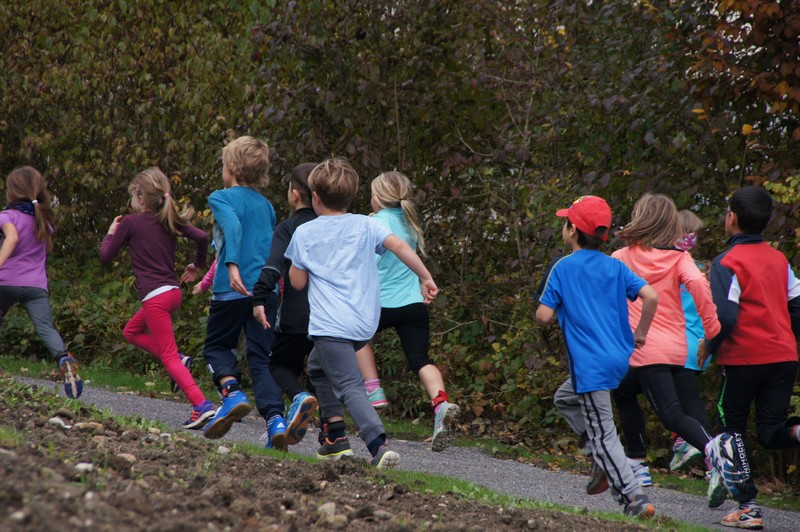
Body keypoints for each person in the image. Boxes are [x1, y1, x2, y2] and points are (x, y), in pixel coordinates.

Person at [284, 159, 438, 468]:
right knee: (316, 368)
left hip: (331, 325)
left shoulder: (305, 233)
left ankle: (377, 445)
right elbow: (400, 247)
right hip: (364, 322)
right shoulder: (367, 224)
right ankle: (334, 438)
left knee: (350, 385)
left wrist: (299, 265)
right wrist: (425, 277)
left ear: (315, 197)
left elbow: (298, 283)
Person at [611, 193, 749, 510]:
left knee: (671, 414)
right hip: (676, 347)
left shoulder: (622, 257)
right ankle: (637, 462)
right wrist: (712, 330)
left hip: (647, 349)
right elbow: (699, 286)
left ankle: (714, 450)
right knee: (623, 390)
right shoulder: (680, 257)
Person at [536, 195, 659, 519]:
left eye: (566, 222)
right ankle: (599, 456)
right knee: (565, 398)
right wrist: (641, 333)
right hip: (618, 358)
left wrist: (559, 306)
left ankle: (633, 496)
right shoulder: (615, 266)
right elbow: (650, 296)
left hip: (590, 365)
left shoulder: (562, 267)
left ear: (572, 230)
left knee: (604, 432)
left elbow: (543, 316)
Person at [200, 136, 316, 450]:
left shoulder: (221, 198)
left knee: (216, 347)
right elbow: (271, 249)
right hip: (264, 294)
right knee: (261, 360)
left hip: (231, 289)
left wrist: (232, 265)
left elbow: (233, 228)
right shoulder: (266, 206)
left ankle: (231, 392)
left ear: (231, 167)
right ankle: (275, 420)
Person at [707, 186, 800, 530]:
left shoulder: (726, 262)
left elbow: (725, 316)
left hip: (745, 358)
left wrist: (709, 347)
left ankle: (748, 508)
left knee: (731, 430)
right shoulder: (779, 260)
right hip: (783, 356)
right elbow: (797, 307)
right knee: (770, 431)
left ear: (731, 218)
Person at [99, 167, 213, 429]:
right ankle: (182, 361)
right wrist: (197, 265)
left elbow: (105, 257)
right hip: (172, 293)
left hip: (155, 298)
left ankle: (201, 405)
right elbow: (202, 237)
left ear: (140, 197)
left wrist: (111, 232)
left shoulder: (130, 222)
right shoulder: (168, 220)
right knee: (131, 331)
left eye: (132, 197)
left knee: (168, 357)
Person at [354, 171, 460, 451]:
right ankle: (441, 404)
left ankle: (374, 389)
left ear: (377, 197)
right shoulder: (409, 221)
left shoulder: (372, 222)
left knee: (356, 338)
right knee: (420, 358)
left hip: (379, 303)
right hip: (412, 304)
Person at [0, 166, 82, 399]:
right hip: (36, 287)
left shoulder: (7, 216)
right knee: (46, 328)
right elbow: (46, 248)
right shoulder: (42, 221)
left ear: (12, 191)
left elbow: (12, 238)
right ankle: (63, 358)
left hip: (5, 282)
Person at [252, 162, 319, 436]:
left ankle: (299, 397)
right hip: (331, 317)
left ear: (294, 194)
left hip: (295, 316)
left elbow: (273, 266)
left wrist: (259, 297)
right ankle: (329, 431)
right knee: (322, 371)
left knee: (277, 364)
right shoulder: (335, 227)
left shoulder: (288, 228)